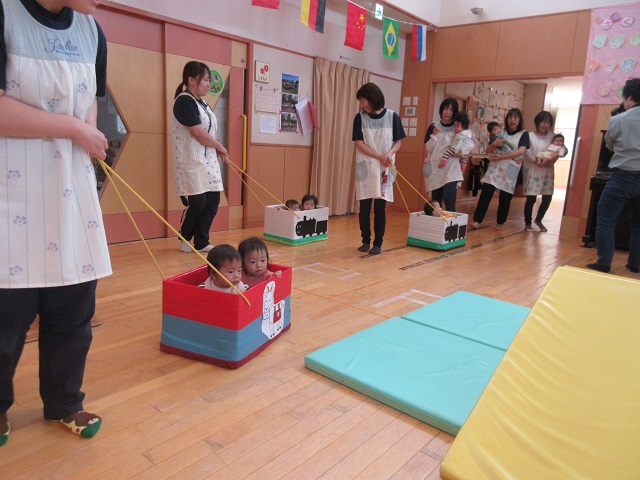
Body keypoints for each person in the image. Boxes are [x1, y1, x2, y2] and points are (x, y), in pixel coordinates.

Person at [0, 0, 111, 445]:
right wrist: (74, 129)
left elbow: (91, 102)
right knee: (6, 320)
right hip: (13, 191)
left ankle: (64, 402)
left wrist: (86, 126)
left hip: (72, 191)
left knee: (73, 310)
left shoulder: (92, 31)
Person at [173, 61, 227, 254]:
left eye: (209, 80)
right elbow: (197, 132)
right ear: (191, 80)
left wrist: (218, 148)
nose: (208, 84)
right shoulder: (184, 101)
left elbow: (209, 131)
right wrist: (220, 146)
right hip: (191, 160)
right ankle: (185, 237)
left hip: (208, 160)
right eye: (205, 79)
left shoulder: (202, 103)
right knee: (197, 202)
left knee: (212, 201)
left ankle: (202, 241)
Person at [587, 78, 640, 274]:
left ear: (629, 96)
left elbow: (609, 145)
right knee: (638, 224)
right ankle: (635, 263)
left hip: (623, 176)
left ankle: (604, 262)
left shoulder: (618, 119)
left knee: (606, 219)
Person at [353, 82, 406, 255]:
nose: (362, 105)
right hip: (367, 166)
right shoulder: (359, 118)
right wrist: (379, 157)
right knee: (364, 207)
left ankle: (378, 243)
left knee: (380, 209)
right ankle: (365, 240)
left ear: (373, 98)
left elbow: (398, 142)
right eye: (360, 101)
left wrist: (389, 153)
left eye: (364, 100)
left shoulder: (392, 116)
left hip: (385, 168)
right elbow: (359, 144)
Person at [470, 108, 530, 231]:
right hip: (496, 167)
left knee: (505, 197)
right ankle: (477, 220)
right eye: (510, 117)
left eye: (515, 117)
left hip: (511, 168)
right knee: (486, 193)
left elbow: (521, 151)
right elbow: (487, 151)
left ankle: (500, 223)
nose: (512, 120)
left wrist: (502, 157)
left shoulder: (524, 134)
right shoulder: (501, 132)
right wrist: (493, 145)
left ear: (520, 119)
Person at [522, 111, 567, 232]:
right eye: (543, 121)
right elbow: (526, 151)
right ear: (537, 122)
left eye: (548, 122)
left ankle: (539, 219)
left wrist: (555, 156)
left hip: (547, 171)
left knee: (547, 197)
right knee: (531, 198)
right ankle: (527, 223)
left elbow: (562, 147)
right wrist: (536, 161)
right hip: (532, 169)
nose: (546, 125)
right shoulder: (529, 135)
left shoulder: (553, 136)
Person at [423, 98, 462, 212]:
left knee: (449, 196)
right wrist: (434, 135)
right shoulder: (433, 126)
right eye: (446, 108)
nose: (448, 112)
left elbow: (466, 143)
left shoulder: (457, 127)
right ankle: (437, 225)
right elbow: (428, 148)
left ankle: (451, 225)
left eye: (451, 110)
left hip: (451, 167)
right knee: (436, 199)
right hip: (436, 167)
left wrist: (461, 152)